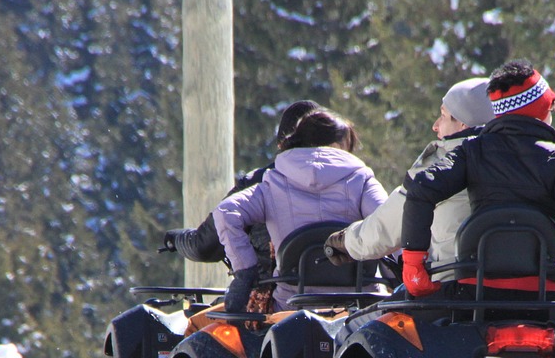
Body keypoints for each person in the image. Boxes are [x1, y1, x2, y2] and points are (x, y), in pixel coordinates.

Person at [399, 59, 555, 299]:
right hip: (543, 293)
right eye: (551, 108)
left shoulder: (472, 151)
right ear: (540, 110)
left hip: (476, 290)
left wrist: (414, 264)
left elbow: (422, 188)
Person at [213, 109, 387, 312]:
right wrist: (397, 274)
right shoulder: (362, 179)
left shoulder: (273, 181)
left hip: (292, 306)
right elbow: (389, 223)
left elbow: (226, 212)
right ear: (337, 146)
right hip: (361, 305)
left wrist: (245, 271)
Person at [323, 77, 494, 284]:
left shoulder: (439, 168)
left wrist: (344, 242)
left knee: (365, 317)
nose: (435, 126)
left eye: (442, 116)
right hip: (529, 294)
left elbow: (383, 230)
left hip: (455, 291)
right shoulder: (526, 161)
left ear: (463, 123)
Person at [159, 99, 321, 276]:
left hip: (275, 295)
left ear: (282, 143)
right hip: (344, 296)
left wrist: (177, 239)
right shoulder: (352, 179)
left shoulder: (260, 181)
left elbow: (205, 245)